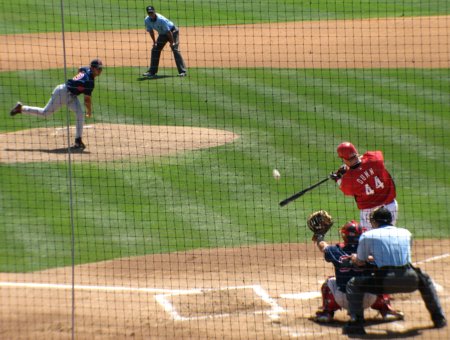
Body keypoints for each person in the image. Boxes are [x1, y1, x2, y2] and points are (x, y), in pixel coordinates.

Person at [344, 207, 446, 335]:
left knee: (354, 284)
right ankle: (438, 318)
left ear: (375, 222)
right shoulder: (406, 233)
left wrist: (354, 258)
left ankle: (356, 323)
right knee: (425, 279)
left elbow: (360, 261)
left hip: (384, 282)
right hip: (410, 280)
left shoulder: (367, 235)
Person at [312, 219, 403, 323]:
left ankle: (326, 313)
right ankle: (386, 310)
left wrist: (319, 237)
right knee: (379, 278)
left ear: (344, 235)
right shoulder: (370, 250)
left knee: (329, 282)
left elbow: (324, 247)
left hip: (343, 299)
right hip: (368, 299)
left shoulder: (336, 250)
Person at [9, 59, 103, 150]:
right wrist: (89, 111)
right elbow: (87, 100)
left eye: (101, 69)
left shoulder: (86, 69)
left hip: (71, 96)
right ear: (92, 68)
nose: (100, 71)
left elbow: (80, 68)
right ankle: (21, 108)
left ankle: (78, 140)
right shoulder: (90, 82)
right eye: (98, 68)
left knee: (80, 114)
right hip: (62, 93)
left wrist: (78, 82)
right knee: (45, 113)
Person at [330, 142, 397, 230]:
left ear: (344, 159)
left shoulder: (349, 180)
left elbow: (345, 189)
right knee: (388, 235)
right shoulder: (375, 159)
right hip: (390, 207)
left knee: (369, 240)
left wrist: (338, 178)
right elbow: (373, 155)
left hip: (369, 213)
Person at [143, 5, 187, 78]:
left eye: (152, 12)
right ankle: (152, 72)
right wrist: (154, 42)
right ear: (147, 13)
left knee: (175, 49)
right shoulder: (147, 20)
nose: (151, 14)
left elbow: (169, 32)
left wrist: (172, 42)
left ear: (154, 12)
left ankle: (182, 72)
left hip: (173, 31)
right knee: (155, 49)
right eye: (149, 13)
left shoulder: (161, 19)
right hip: (163, 34)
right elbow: (151, 31)